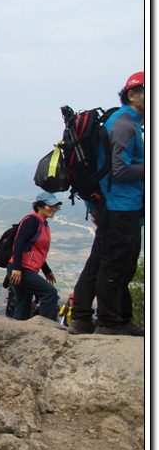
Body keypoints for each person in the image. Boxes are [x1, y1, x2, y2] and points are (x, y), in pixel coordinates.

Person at [69, 72, 145, 337]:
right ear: (132, 94)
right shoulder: (125, 125)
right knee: (117, 265)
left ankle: (84, 318)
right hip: (121, 207)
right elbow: (120, 171)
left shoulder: (124, 121)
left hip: (115, 205)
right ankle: (109, 323)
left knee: (101, 262)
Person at [8, 192, 61, 321]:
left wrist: (47, 271)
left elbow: (36, 251)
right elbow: (19, 244)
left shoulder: (42, 223)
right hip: (22, 269)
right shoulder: (31, 221)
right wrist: (17, 268)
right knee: (49, 293)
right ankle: (46, 326)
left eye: (55, 206)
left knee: (24, 303)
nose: (54, 209)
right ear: (39, 206)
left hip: (24, 268)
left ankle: (18, 327)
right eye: (50, 206)